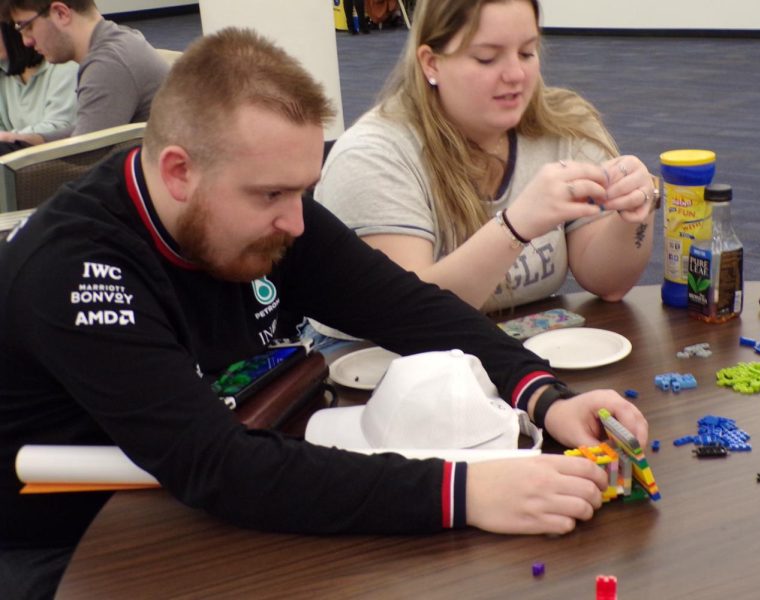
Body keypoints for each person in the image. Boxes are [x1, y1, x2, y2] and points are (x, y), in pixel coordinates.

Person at [0, 28, 648, 599]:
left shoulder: (274, 209)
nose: (295, 220)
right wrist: (465, 492)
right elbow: (219, 467)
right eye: (271, 195)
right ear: (179, 173)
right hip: (67, 543)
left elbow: (411, 307)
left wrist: (543, 394)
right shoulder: (77, 270)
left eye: (303, 190)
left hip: (191, 492)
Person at [313, 0, 657, 342]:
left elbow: (609, 284)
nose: (515, 75)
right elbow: (409, 319)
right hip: (371, 363)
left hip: (501, 349)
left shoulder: (566, 125)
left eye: (527, 52)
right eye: (487, 58)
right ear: (431, 63)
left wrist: (635, 210)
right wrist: (515, 226)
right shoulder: (373, 156)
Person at [6, 0, 169, 141]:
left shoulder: (107, 65)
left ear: (61, 13)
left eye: (26, 26)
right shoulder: (117, 42)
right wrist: (29, 140)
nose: (26, 41)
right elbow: (88, 134)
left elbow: (86, 159)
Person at [0, 20, 76, 154]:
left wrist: (10, 137)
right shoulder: (4, 69)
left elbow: (59, 128)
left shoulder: (64, 63)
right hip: (16, 162)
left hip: (58, 162)